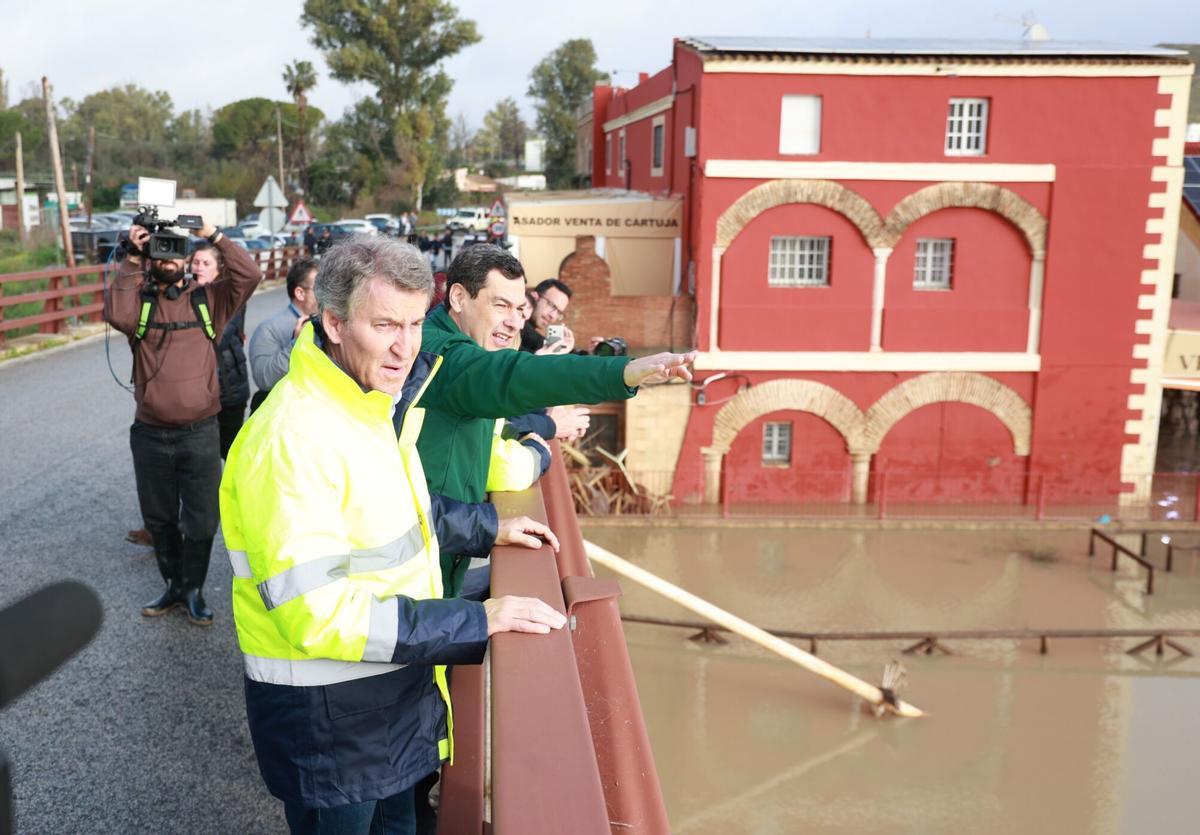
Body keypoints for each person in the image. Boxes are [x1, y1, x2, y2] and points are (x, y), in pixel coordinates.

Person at [220, 236, 565, 833]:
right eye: (384, 326)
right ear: (332, 322)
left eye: (413, 324)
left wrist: (489, 526)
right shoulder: (294, 439)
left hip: (385, 707)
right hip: (331, 726)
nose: (406, 348)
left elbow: (399, 513)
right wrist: (476, 620)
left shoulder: (364, 403)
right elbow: (319, 614)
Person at [417, 244, 695, 596]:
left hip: (439, 549)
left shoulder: (460, 346)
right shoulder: (443, 355)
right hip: (417, 571)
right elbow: (513, 378)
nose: (515, 321)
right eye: (500, 305)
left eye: (520, 309)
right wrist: (624, 373)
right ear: (458, 298)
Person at [103, 217, 261, 625]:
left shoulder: (208, 300)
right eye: (160, 248)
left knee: (203, 518)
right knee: (159, 518)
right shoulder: (141, 305)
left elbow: (250, 273)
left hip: (200, 433)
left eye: (174, 247)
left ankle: (194, 590)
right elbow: (115, 311)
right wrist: (133, 255)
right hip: (151, 434)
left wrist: (212, 233)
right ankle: (173, 585)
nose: (167, 256)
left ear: (187, 256)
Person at [191, 242, 250, 458]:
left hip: (229, 389)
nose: (199, 267)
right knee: (203, 457)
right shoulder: (185, 296)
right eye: (195, 262)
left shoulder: (230, 298)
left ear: (218, 268)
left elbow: (217, 337)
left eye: (206, 263)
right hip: (198, 393)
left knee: (231, 454)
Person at [247, 258, 318, 409]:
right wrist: (295, 345)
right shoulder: (269, 329)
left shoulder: (330, 325)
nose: (327, 293)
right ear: (300, 293)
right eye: (320, 287)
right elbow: (264, 379)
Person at [520, 278, 575, 355]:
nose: (553, 316)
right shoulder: (517, 328)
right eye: (552, 305)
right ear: (534, 297)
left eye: (559, 312)